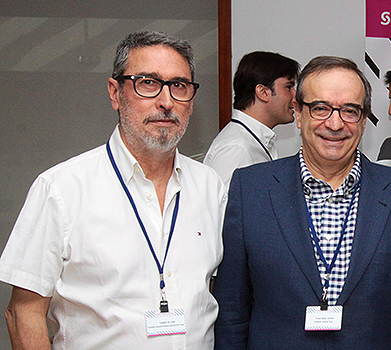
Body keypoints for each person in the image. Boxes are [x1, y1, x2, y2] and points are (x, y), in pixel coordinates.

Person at [0, 31, 225, 349]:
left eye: (179, 86)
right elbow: (23, 313)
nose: (166, 101)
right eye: (148, 82)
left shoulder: (210, 187)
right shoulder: (62, 189)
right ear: (115, 93)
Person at [212, 56, 391, 349]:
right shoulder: (250, 190)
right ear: (298, 113)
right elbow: (232, 311)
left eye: (349, 110)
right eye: (320, 108)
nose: (335, 124)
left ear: (363, 120)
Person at [204, 51, 300, 186]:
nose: (295, 96)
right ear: (263, 92)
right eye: (288, 87)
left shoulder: (255, 141)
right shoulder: (236, 148)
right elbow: (223, 206)